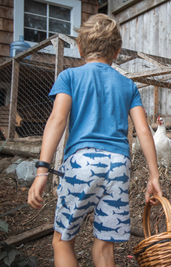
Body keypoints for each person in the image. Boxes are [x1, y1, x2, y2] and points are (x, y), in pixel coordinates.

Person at [27, 14, 162, 267]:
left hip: (82, 163)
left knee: (63, 241)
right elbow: (144, 131)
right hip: (118, 167)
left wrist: (42, 170)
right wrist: (154, 176)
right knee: (104, 246)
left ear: (79, 47)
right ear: (118, 52)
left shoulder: (69, 77)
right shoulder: (128, 85)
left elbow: (57, 120)